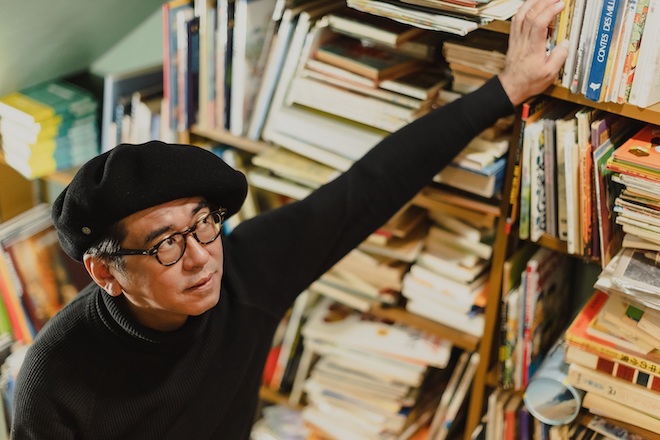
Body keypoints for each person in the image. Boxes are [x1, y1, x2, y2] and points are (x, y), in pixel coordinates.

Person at [11, 0, 568, 438]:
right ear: (104, 273)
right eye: (166, 246)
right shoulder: (54, 378)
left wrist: (507, 88)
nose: (202, 257)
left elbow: (369, 187)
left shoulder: (247, 271)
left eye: (203, 224)